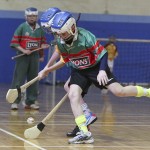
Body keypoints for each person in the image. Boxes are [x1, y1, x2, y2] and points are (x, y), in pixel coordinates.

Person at [38, 11, 150, 144]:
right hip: (79, 71)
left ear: (72, 28)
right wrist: (47, 70)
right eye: (58, 34)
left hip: (96, 68)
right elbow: (65, 61)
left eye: (63, 33)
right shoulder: (61, 42)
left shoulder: (86, 36)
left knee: (119, 91)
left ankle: (147, 92)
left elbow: (102, 54)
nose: (60, 37)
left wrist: (102, 71)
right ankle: (84, 132)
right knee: (73, 95)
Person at [40, 7, 97, 137]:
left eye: (49, 27)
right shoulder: (59, 32)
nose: (49, 31)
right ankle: (82, 126)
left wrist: (47, 68)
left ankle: (85, 121)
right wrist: (47, 67)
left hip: (85, 69)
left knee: (73, 95)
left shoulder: (65, 32)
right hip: (77, 67)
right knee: (73, 95)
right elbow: (58, 52)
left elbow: (60, 56)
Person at [10, 7, 49, 110]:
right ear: (25, 17)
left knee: (33, 80)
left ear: (37, 17)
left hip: (34, 57)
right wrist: (24, 50)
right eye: (30, 16)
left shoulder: (40, 29)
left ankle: (30, 102)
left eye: (34, 16)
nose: (32, 18)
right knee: (18, 80)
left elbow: (42, 44)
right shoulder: (21, 27)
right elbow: (14, 43)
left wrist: (42, 54)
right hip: (23, 57)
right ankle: (15, 101)